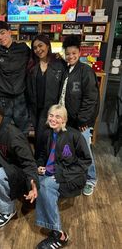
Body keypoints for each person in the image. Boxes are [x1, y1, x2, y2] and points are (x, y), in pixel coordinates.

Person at [35, 104, 92, 249]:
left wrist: (59, 174)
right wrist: (40, 166)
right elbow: (42, 154)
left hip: (71, 176)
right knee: (33, 179)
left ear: (64, 120)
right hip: (50, 171)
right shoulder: (47, 133)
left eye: (58, 116)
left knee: (46, 186)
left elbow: (85, 162)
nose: (53, 119)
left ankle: (59, 235)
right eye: (51, 115)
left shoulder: (74, 136)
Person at [59, 35, 100, 196]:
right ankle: (72, 176)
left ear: (79, 52)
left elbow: (91, 98)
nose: (71, 56)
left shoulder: (86, 71)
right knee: (69, 149)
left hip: (80, 121)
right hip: (65, 119)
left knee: (85, 151)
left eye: (74, 53)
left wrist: (84, 120)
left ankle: (91, 179)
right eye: (68, 53)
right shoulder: (65, 69)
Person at [27, 34, 67, 158]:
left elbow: (63, 87)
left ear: (48, 46)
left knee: (47, 137)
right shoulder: (32, 66)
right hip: (35, 109)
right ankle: (40, 163)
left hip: (51, 108)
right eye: (35, 48)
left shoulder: (59, 64)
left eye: (41, 46)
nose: (38, 50)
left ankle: (43, 163)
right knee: (39, 137)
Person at [0, 21, 31, 135]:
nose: (0, 38)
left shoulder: (23, 48)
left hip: (20, 97)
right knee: (3, 130)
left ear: (9, 32)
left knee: (23, 131)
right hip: (3, 98)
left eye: (2, 33)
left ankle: (22, 152)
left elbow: (38, 60)